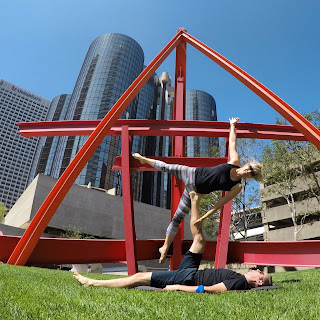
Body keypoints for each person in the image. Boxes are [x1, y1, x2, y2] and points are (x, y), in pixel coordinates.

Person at [74, 192, 272, 292]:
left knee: (138, 278)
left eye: (259, 271)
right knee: (200, 239)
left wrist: (178, 287)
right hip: (192, 270)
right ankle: (195, 200)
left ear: (259, 281)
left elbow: (208, 290)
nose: (255, 269)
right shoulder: (240, 279)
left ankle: (92, 282)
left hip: (187, 279)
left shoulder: (239, 282)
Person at [132, 117, 263, 263]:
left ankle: (164, 247)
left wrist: (204, 217)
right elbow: (232, 142)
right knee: (167, 167)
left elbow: (219, 204)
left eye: (251, 173)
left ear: (250, 176)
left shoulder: (237, 186)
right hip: (191, 173)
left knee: (177, 218)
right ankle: (144, 159)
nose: (247, 171)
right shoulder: (234, 162)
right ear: (246, 165)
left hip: (193, 192)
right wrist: (232, 126)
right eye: (249, 168)